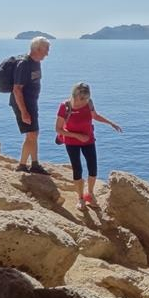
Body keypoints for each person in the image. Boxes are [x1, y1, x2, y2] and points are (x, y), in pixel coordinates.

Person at [55, 82, 122, 210]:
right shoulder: (65, 106)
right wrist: (77, 136)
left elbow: (95, 116)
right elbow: (58, 129)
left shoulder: (89, 103)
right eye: (81, 99)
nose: (83, 102)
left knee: (93, 168)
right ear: (74, 95)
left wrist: (110, 123)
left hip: (89, 140)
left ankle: (89, 195)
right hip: (72, 141)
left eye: (86, 98)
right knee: (77, 169)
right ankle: (80, 198)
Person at [11, 37, 50, 174]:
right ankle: (23, 165)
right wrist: (23, 111)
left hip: (32, 103)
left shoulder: (36, 63)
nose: (47, 53)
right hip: (23, 104)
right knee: (32, 134)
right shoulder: (24, 64)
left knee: (33, 134)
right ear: (37, 49)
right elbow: (17, 89)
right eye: (46, 50)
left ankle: (33, 164)